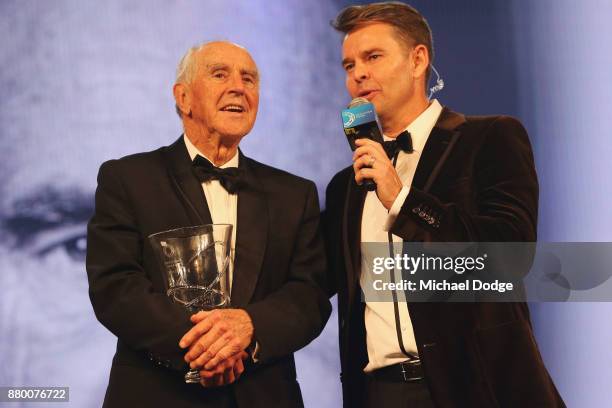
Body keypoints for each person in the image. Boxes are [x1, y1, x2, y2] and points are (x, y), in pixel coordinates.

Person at [323, 3, 565, 407]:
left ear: (418, 60)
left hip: (478, 388)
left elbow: (509, 255)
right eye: (349, 65)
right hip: (381, 394)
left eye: (373, 57)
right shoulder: (344, 188)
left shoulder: (489, 139)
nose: (358, 74)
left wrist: (402, 199)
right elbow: (318, 286)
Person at [86, 41, 331, 408]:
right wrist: (206, 349)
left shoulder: (295, 194)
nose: (238, 87)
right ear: (183, 98)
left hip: (263, 394)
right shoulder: (128, 178)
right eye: (220, 74)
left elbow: (309, 294)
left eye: (249, 79)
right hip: (158, 393)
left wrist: (249, 329)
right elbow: (116, 287)